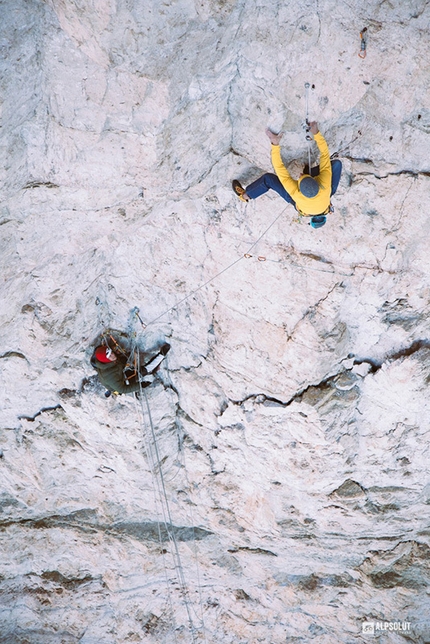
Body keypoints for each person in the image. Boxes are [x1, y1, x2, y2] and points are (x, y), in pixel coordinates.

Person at [232, 123, 342, 228]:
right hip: (322, 194)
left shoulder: (295, 192)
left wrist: (275, 144)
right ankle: (309, 173)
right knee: (333, 165)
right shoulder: (324, 183)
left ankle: (246, 196)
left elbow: (279, 169)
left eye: (300, 177)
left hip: (304, 201)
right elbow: (324, 154)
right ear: (317, 181)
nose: (299, 175)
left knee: (268, 179)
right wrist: (316, 133)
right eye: (302, 175)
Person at [91, 342, 170, 395]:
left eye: (111, 352)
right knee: (144, 370)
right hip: (120, 383)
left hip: (119, 373)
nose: (112, 354)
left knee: (128, 362)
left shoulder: (108, 362)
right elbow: (123, 390)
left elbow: (118, 364)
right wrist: (140, 386)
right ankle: (162, 354)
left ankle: (153, 369)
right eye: (109, 356)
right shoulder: (110, 377)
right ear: (106, 360)